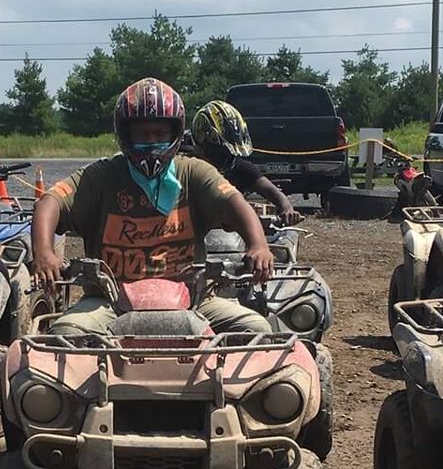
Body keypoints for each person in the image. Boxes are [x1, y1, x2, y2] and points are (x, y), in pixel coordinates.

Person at [32, 77, 275, 339]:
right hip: (109, 301)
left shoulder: (193, 172)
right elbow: (50, 202)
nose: (151, 143)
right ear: (125, 134)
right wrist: (44, 253)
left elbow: (234, 202)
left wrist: (258, 245)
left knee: (257, 330)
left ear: (175, 134)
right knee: (66, 333)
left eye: (160, 134)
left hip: (194, 299)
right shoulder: (100, 177)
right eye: (142, 135)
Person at [185, 100, 302, 225]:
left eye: (230, 153)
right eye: (221, 152)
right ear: (203, 142)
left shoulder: (239, 168)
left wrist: (287, 209)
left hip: (230, 235)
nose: (227, 158)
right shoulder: (186, 168)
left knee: (284, 236)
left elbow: (272, 192)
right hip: (191, 232)